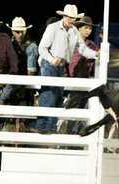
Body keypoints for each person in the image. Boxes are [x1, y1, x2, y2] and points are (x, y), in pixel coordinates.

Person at [35, 4, 99, 134]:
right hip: (50, 65)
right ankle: (42, 127)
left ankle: (51, 127)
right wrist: (52, 59)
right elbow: (42, 48)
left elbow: (83, 49)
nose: (71, 20)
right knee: (49, 96)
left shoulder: (74, 31)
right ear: (64, 16)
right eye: (69, 17)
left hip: (62, 66)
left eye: (73, 18)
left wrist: (96, 54)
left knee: (58, 97)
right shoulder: (53, 28)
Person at [65, 16, 98, 134]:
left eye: (90, 28)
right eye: (86, 28)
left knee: (79, 108)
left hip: (83, 81)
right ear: (78, 29)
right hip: (69, 79)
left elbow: (94, 66)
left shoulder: (92, 46)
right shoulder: (71, 42)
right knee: (71, 108)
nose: (88, 30)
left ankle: (74, 135)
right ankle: (68, 134)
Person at [0, 15, 18, 131]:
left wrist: (12, 73)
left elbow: (13, 57)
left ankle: (0, 100)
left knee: (13, 83)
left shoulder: (4, 38)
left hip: (3, 78)